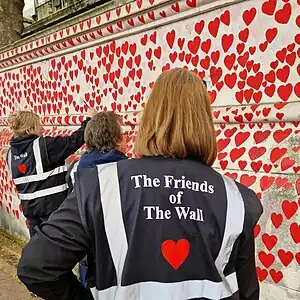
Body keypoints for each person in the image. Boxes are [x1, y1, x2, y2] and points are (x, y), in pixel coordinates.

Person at [17, 68, 263, 300]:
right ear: (206, 123)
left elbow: (36, 267)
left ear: (149, 119)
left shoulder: (101, 186)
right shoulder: (237, 198)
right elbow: (248, 292)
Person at [6, 108, 97, 238]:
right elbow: (74, 140)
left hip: (31, 213)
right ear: (29, 130)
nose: (42, 129)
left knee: (39, 248)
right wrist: (89, 120)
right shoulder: (44, 146)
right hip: (53, 210)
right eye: (38, 126)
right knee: (62, 247)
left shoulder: (10, 154)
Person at [65, 111, 128, 288]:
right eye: (123, 134)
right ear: (117, 140)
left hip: (86, 245)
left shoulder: (75, 169)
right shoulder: (127, 169)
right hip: (118, 248)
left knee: (89, 283)